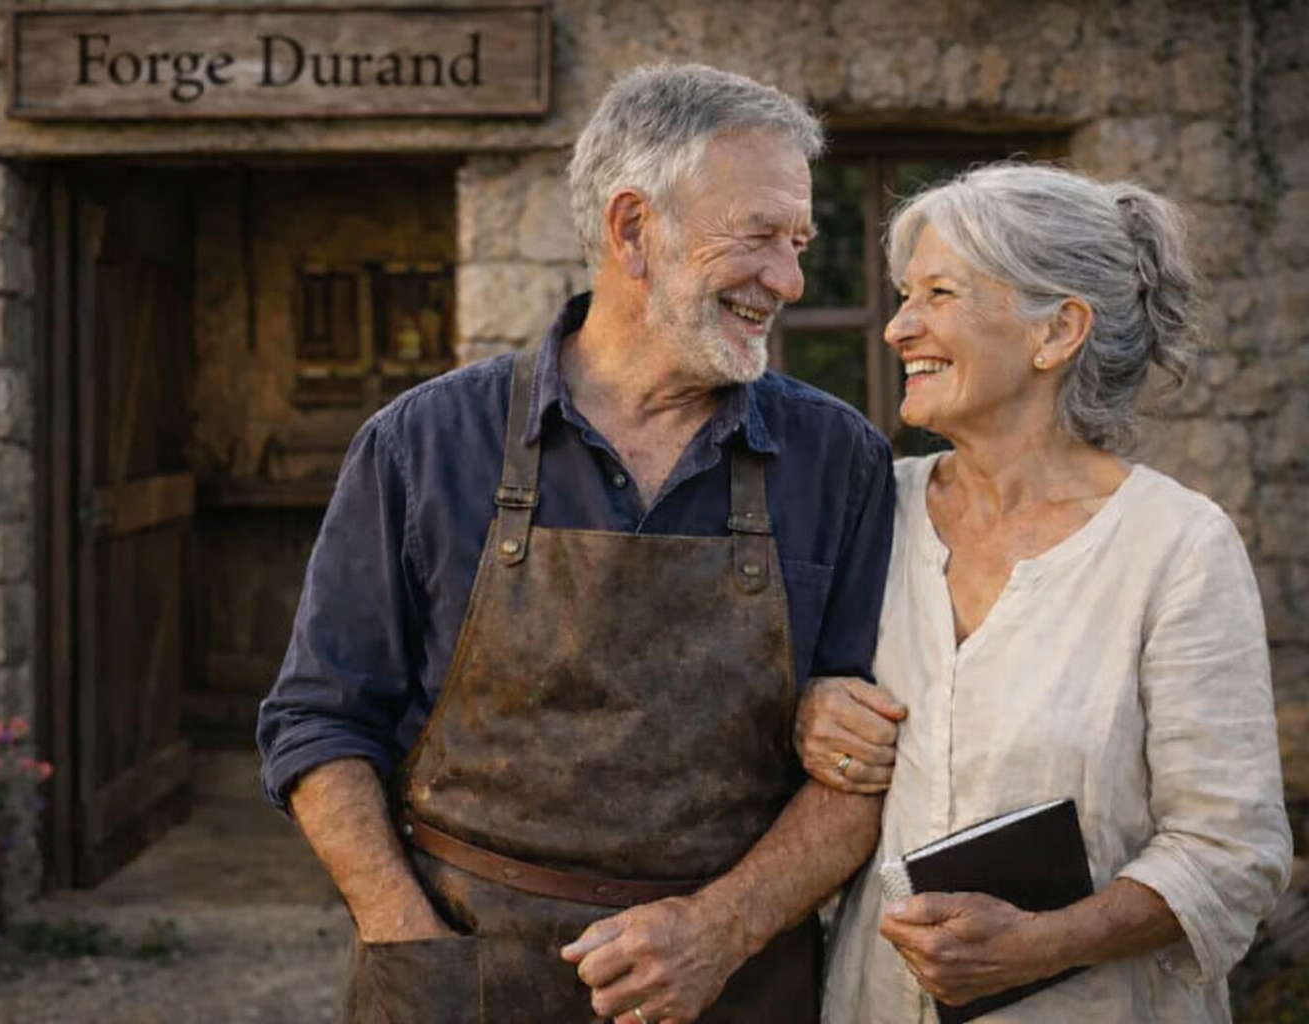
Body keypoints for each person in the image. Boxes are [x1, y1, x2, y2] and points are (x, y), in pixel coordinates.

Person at [257, 63, 896, 1024]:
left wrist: (719, 931)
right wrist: (409, 943)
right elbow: (317, 724)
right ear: (633, 228)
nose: (790, 280)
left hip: (732, 983)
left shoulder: (839, 461)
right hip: (464, 979)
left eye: (798, 242)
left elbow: (865, 769)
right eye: (760, 236)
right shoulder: (423, 445)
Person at [795, 163, 1293, 1023]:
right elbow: (787, 720)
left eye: (939, 294)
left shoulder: (1174, 545)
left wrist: (1039, 944)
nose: (898, 327)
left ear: (1058, 330)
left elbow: (1230, 850)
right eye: (904, 295)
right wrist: (808, 710)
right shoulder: (876, 511)